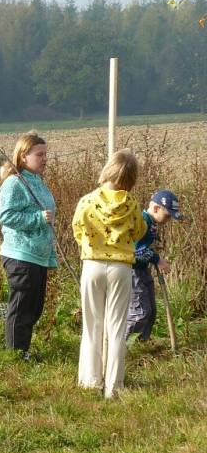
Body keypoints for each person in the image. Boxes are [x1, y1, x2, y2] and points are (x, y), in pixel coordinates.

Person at [72, 149, 147, 399]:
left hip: (93, 264)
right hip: (121, 268)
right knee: (116, 328)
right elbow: (139, 231)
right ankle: (114, 386)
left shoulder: (87, 201)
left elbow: (77, 229)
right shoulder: (132, 205)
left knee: (92, 325)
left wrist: (90, 244)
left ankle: (90, 380)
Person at [0, 132, 57, 361]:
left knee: (35, 307)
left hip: (38, 255)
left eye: (46, 154)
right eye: (39, 154)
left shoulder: (37, 182)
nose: (44, 159)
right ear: (23, 156)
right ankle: (15, 355)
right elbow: (6, 216)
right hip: (21, 254)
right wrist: (38, 218)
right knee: (21, 307)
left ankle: (23, 350)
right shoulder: (14, 182)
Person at [126, 190, 183, 341]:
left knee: (151, 311)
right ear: (156, 208)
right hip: (133, 272)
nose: (169, 219)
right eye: (168, 215)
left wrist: (155, 245)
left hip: (143, 270)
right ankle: (122, 344)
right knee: (140, 312)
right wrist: (157, 259)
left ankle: (141, 343)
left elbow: (145, 245)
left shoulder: (152, 222)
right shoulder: (142, 221)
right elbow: (136, 251)